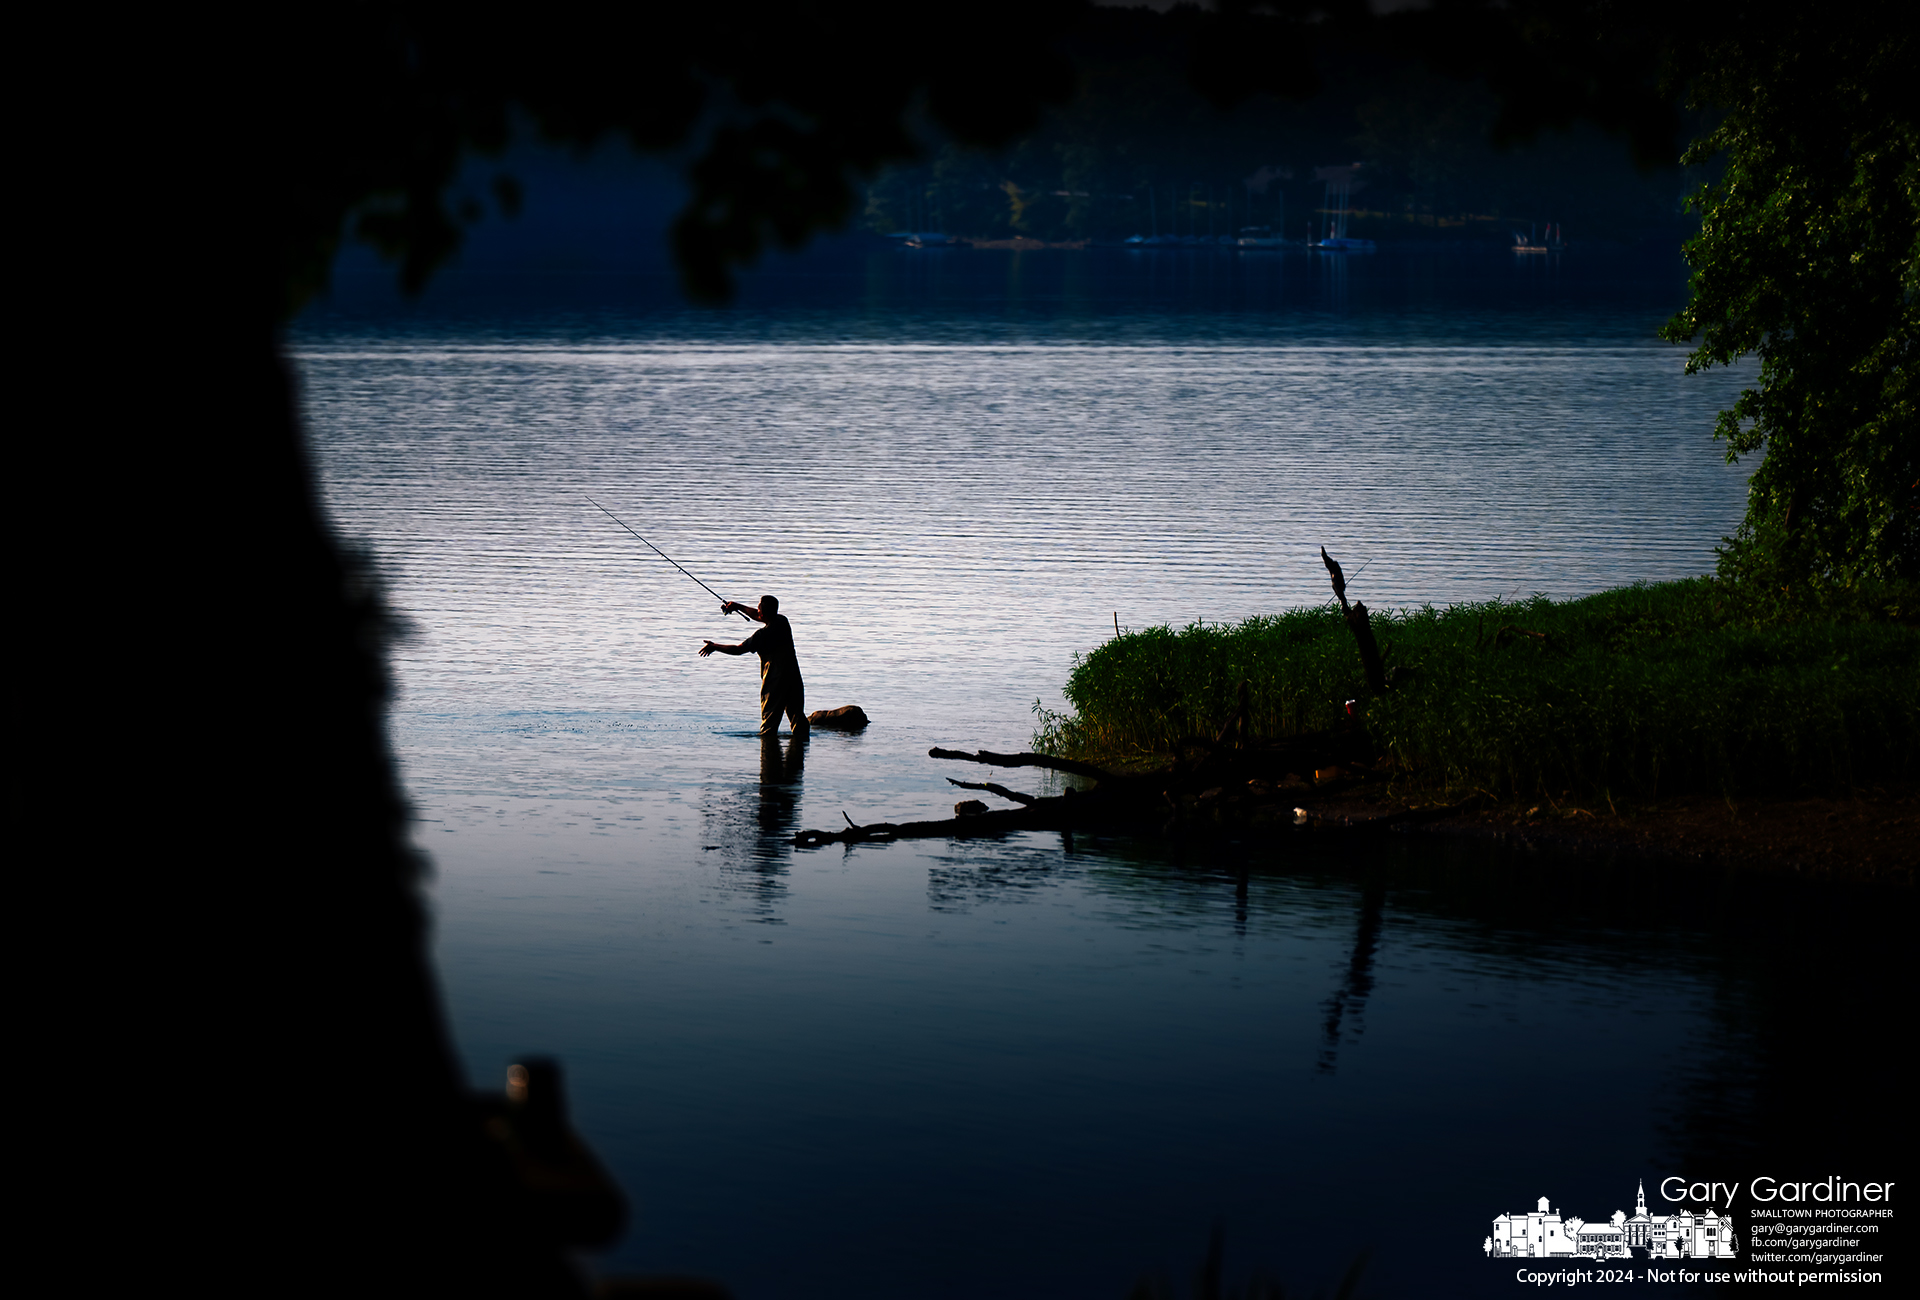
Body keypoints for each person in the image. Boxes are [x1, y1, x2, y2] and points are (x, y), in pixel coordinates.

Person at [699, 595, 809, 739]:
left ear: (762, 613)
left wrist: (715, 647)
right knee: (798, 718)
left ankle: (769, 756)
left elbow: (738, 650)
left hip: (774, 682)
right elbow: (759, 616)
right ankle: (800, 751)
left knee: (769, 726)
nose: (757, 612)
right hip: (793, 678)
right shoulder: (783, 622)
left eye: (758, 608)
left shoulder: (761, 635)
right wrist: (737, 606)